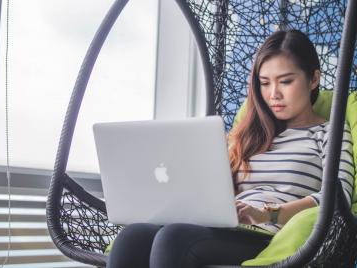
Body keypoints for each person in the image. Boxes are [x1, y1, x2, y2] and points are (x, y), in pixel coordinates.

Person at [106, 29, 355, 268]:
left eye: (286, 81)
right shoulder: (252, 133)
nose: (273, 94)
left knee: (173, 240)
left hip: (270, 234)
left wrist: (269, 214)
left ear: (313, 79)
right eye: (265, 83)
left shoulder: (329, 133)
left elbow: (338, 197)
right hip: (228, 226)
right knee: (132, 237)